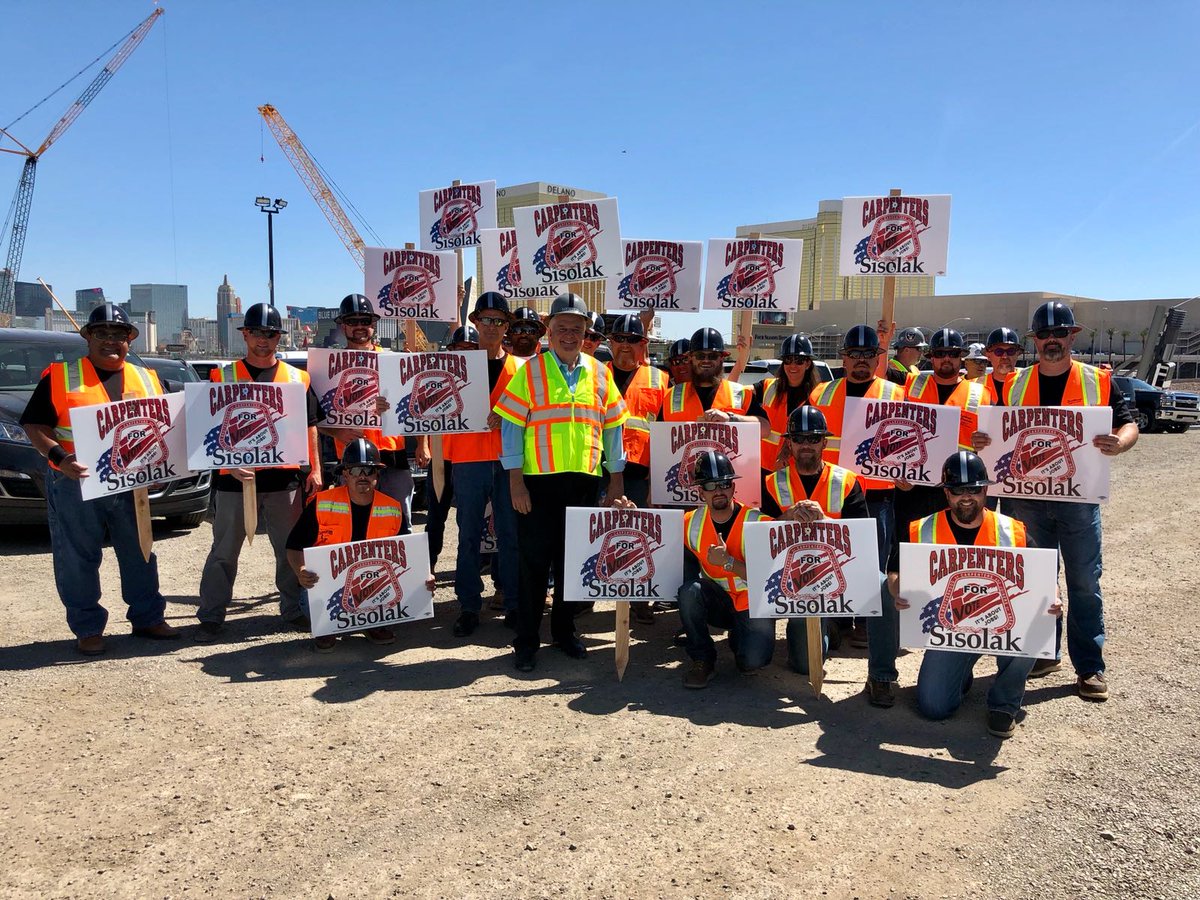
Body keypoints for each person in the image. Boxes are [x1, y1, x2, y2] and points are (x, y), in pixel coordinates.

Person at [973, 301, 1138, 700]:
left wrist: (1120, 443)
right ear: (1035, 340)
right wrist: (983, 440)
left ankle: (1090, 667)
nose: (1052, 341)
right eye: (1044, 334)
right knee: (1036, 579)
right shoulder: (1013, 383)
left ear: (1071, 337)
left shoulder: (1098, 380)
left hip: (1078, 499)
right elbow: (996, 430)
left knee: (1084, 582)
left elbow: (1128, 423)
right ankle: (1044, 653)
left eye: (1059, 333)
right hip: (1026, 500)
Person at [19, 303, 179, 655]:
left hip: (131, 483)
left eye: (118, 334)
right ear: (88, 337)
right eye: (102, 333)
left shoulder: (148, 378)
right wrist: (59, 458)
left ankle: (148, 617)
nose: (110, 340)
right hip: (75, 481)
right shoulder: (61, 377)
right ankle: (88, 627)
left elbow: (164, 427)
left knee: (140, 551)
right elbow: (34, 424)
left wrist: (160, 468)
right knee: (78, 555)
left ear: (129, 340)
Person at [495, 292, 629, 672]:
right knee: (533, 565)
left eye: (576, 329)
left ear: (586, 333)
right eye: (562, 328)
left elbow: (613, 428)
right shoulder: (530, 372)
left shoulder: (600, 373)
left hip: (584, 482)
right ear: (549, 332)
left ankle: (564, 632)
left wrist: (616, 480)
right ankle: (526, 641)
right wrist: (516, 483)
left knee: (574, 563)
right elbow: (510, 429)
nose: (569, 335)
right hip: (537, 484)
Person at [889, 451, 1059, 738]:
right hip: (951, 630)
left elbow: (1044, 577)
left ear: (985, 491)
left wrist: (1054, 596)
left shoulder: (1011, 530)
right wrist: (898, 589)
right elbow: (894, 572)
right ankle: (961, 669)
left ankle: (1004, 703)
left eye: (974, 489)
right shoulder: (922, 529)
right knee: (934, 708)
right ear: (946, 493)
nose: (966, 497)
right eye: (958, 490)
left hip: (1000, 624)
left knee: (1040, 616)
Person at [195, 302, 324, 642]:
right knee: (224, 550)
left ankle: (293, 609)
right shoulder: (222, 377)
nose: (263, 340)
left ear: (279, 337)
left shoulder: (297, 378)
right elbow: (206, 427)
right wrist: (225, 463)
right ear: (245, 335)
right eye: (256, 333)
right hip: (234, 480)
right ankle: (211, 614)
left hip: (284, 479)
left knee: (289, 549)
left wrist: (315, 469)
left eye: (270, 333)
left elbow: (310, 425)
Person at [763, 407, 899, 699]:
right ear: (789, 443)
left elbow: (862, 539)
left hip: (841, 569)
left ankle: (881, 677)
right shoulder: (771, 483)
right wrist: (786, 517)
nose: (806, 445)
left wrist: (824, 521)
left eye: (813, 438)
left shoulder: (846, 480)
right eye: (799, 438)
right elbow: (759, 541)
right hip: (797, 578)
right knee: (803, 664)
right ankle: (830, 628)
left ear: (825, 442)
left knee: (884, 587)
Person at [808, 325, 903, 685]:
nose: (861, 361)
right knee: (833, 558)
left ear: (878, 359)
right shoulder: (821, 393)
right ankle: (837, 619)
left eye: (868, 355)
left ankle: (864, 622)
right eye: (854, 355)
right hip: (832, 492)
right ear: (843, 358)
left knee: (872, 561)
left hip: (877, 493)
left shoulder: (896, 393)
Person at [286, 439, 430, 651]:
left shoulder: (392, 508)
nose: (363, 476)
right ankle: (327, 628)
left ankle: (374, 624)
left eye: (369, 470)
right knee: (310, 599)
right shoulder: (321, 503)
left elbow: (406, 555)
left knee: (394, 591)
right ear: (345, 474)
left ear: (377, 474)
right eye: (355, 470)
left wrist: (423, 578)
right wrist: (300, 571)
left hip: (372, 584)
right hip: (328, 587)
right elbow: (293, 546)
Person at [443, 293, 523, 637]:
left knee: (511, 534)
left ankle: (514, 603)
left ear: (507, 326)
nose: (492, 326)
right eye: (486, 319)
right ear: (474, 322)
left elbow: (533, 412)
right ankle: (469, 605)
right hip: (468, 459)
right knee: (468, 536)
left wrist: (507, 415)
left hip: (509, 461)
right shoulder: (456, 366)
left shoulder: (522, 368)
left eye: (499, 321)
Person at [322, 293, 418, 529]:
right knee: (355, 525)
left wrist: (392, 405)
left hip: (392, 456)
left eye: (365, 321)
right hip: (352, 460)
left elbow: (415, 407)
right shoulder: (328, 367)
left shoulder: (393, 361)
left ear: (373, 325)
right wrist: (336, 433)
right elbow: (314, 418)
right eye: (352, 321)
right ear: (343, 326)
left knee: (399, 523)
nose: (359, 327)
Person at [677, 451, 772, 688]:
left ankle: (740, 637)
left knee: (752, 662)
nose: (718, 490)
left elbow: (768, 580)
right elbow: (653, 535)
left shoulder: (759, 522)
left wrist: (728, 562)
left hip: (750, 602)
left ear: (733, 487)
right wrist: (627, 513)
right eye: (710, 485)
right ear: (700, 491)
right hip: (717, 600)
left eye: (725, 484)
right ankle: (702, 659)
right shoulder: (689, 522)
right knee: (688, 592)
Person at [605, 312, 670, 625]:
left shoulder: (660, 380)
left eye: (633, 339)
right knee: (592, 532)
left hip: (639, 471)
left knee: (638, 536)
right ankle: (581, 599)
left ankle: (640, 597)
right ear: (610, 342)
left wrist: (656, 481)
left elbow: (667, 434)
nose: (625, 345)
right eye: (620, 339)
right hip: (597, 468)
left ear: (644, 344)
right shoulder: (595, 373)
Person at [899, 328, 991, 534]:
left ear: (961, 357)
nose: (946, 358)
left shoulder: (980, 395)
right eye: (940, 354)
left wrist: (985, 442)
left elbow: (993, 444)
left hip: (957, 489)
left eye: (953, 353)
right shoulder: (909, 385)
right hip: (914, 486)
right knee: (909, 545)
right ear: (932, 357)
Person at [661, 328, 766, 428]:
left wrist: (731, 418)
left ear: (721, 358)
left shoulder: (740, 393)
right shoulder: (669, 396)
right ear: (690, 358)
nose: (706, 360)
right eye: (700, 356)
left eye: (713, 356)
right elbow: (656, 433)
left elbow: (765, 427)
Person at [756, 334, 821, 474]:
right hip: (763, 468)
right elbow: (734, 394)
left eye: (799, 361)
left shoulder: (819, 394)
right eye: (787, 360)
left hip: (797, 471)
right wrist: (741, 360)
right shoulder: (768, 387)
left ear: (808, 364)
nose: (792, 365)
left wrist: (785, 452)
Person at [982, 327, 1023, 404]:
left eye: (1011, 351)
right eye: (999, 351)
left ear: (1017, 354)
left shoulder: (1030, 383)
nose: (1005, 356)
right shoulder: (976, 386)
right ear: (988, 355)